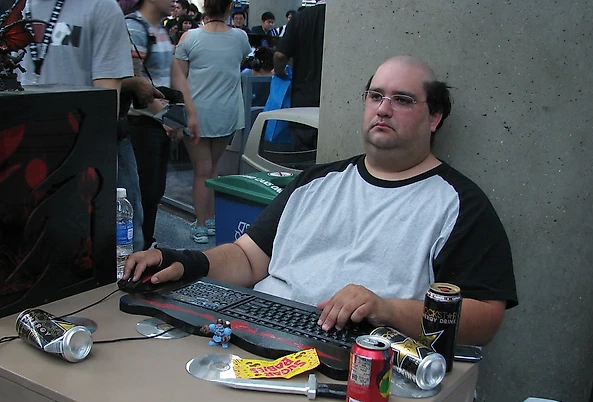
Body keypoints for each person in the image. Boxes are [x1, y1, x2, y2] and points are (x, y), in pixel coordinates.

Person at [125, 55, 518, 346]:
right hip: (254, 336)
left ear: (435, 117)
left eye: (402, 100)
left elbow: (485, 320)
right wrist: (184, 261)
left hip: (357, 363)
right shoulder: (316, 181)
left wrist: (388, 309)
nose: (383, 109)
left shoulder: (459, 205)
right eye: (375, 96)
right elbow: (247, 258)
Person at [0, 0, 157, 252]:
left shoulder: (100, 7)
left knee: (115, 251)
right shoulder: (6, 6)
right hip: (20, 160)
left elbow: (105, 106)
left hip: (82, 159)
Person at [171, 0, 251, 244]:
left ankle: (200, 225)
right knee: (213, 168)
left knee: (201, 171)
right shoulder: (240, 38)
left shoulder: (189, 38)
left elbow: (178, 78)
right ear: (230, 7)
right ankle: (212, 220)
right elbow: (240, 60)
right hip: (226, 112)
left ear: (205, 7)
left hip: (196, 112)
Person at [125, 0, 179, 250]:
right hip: (141, 122)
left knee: (154, 191)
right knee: (143, 192)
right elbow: (135, 81)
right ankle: (138, 248)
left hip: (159, 122)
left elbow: (172, 74)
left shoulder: (160, 28)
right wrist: (167, 117)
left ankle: (147, 243)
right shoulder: (135, 28)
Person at [273, 0, 325, 149]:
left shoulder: (301, 18)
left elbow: (280, 56)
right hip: (337, 105)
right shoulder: (346, 17)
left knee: (302, 156)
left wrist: (279, 72)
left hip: (304, 101)